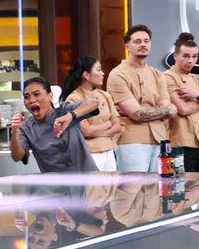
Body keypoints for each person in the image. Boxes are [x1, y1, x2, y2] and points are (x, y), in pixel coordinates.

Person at [106, 24, 177, 172]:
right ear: (127, 46)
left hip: (160, 139)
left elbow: (171, 111)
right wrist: (166, 109)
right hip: (131, 140)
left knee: (161, 185)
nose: (143, 44)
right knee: (133, 185)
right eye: (137, 41)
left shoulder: (157, 74)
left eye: (146, 41)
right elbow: (138, 114)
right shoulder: (117, 74)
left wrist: (164, 109)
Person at [10, 76, 99, 173]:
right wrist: (14, 132)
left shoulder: (65, 110)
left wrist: (71, 115)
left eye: (36, 94)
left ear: (50, 95)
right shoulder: (26, 128)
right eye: (26, 97)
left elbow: (94, 103)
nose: (31, 100)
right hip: (55, 181)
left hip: (88, 177)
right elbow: (17, 157)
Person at [60, 56, 122, 171]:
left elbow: (118, 126)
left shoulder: (105, 95)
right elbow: (87, 131)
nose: (103, 73)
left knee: (112, 183)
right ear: (86, 75)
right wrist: (108, 124)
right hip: (90, 154)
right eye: (98, 70)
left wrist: (100, 131)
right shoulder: (74, 98)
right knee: (93, 183)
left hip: (109, 152)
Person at [163, 32, 199, 172]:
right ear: (175, 56)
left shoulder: (196, 78)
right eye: (186, 56)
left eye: (194, 56)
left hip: (197, 141)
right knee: (182, 183)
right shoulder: (167, 77)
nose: (190, 61)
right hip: (180, 141)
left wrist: (197, 95)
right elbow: (183, 109)